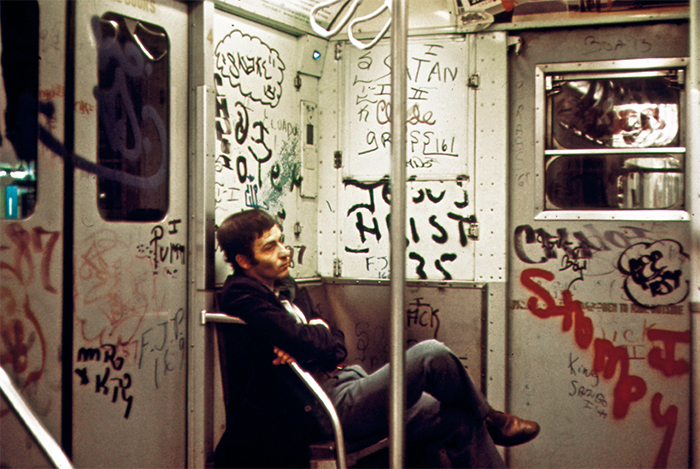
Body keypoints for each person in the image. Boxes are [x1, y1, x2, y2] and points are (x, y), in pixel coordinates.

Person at [213, 209, 540, 468]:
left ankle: (484, 417)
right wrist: (312, 337)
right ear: (244, 261)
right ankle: (492, 416)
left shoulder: (287, 287)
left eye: (282, 242)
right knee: (429, 355)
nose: (284, 252)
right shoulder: (242, 294)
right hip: (322, 408)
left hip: (344, 382)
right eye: (270, 248)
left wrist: (313, 338)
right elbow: (307, 340)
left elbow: (334, 345)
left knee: (457, 419)